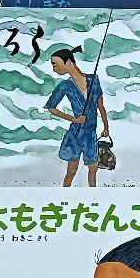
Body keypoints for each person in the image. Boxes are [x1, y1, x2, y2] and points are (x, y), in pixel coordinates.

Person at [45, 44, 110, 187]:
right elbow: (51, 108)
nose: (54, 69)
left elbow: (101, 106)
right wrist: (74, 119)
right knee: (71, 171)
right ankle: (64, 196)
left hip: (91, 134)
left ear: (68, 62)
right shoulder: (65, 85)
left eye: (55, 64)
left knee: (93, 169)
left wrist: (106, 127)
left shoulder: (94, 80)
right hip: (75, 135)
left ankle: (94, 197)